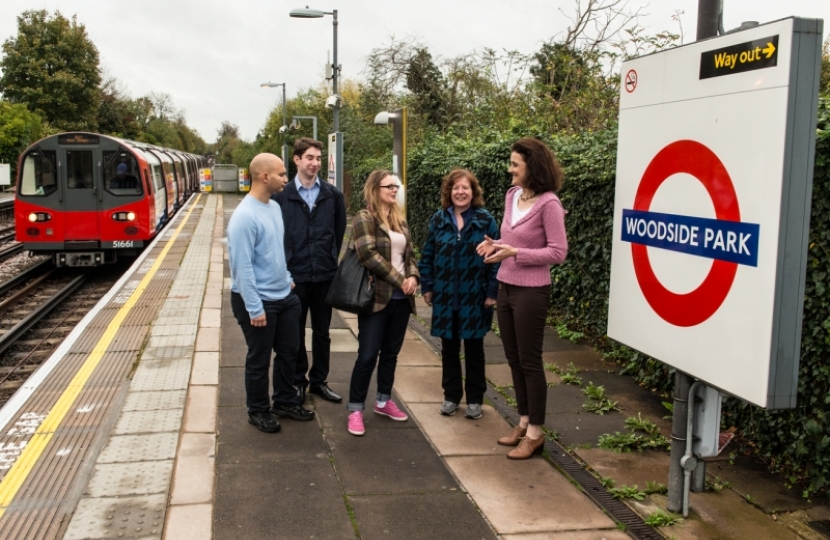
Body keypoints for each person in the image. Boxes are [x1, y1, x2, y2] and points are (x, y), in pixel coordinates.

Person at [477, 138, 568, 459]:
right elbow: (512, 237)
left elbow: (558, 252)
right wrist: (497, 245)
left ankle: (536, 433)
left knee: (530, 361)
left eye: (515, 164)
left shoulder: (549, 204)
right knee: (513, 358)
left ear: (533, 167)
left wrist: (516, 252)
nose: (510, 169)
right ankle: (524, 420)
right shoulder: (512, 195)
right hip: (505, 285)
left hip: (532, 290)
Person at [228, 152, 314, 434]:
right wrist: (254, 308)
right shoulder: (244, 216)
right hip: (257, 300)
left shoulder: (274, 208)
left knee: (290, 352)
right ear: (264, 176)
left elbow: (276, 250)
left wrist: (287, 277)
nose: (285, 179)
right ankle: (258, 410)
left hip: (284, 296)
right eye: (280, 174)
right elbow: (241, 267)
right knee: (259, 358)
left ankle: (285, 401)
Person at [418, 169, 500, 420]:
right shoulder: (439, 219)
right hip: (444, 296)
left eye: (465, 188)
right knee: (449, 349)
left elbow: (497, 259)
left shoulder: (486, 220)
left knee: (475, 349)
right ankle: (451, 396)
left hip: (475, 296)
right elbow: (428, 255)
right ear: (449, 192)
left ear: (473, 192)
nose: (460, 192)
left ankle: (475, 399)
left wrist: (491, 292)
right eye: (455, 188)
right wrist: (428, 286)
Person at [273, 138, 347, 404]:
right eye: (310, 158)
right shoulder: (280, 196)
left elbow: (338, 233)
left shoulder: (332, 195)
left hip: (324, 276)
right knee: (293, 333)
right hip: (294, 278)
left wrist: (328, 257)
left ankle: (319, 381)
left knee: (322, 332)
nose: (315, 163)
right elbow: (274, 236)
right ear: (297, 160)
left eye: (318, 158)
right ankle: (297, 380)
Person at [346, 170, 420, 436]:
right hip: (376, 297)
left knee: (390, 354)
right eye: (389, 186)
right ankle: (355, 409)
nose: (394, 190)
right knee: (367, 354)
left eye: (396, 186)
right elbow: (368, 254)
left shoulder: (399, 220)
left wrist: (412, 275)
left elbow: (410, 255)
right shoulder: (364, 218)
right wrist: (400, 279)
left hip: (401, 300)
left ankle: (383, 400)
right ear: (375, 188)